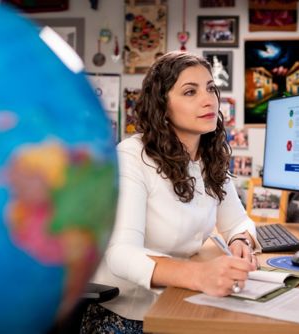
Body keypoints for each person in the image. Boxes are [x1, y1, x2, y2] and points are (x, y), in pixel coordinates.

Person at [81, 51, 258, 333]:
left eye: (211, 88)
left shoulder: (210, 156)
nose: (208, 99)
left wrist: (241, 241)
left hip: (178, 300)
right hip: (127, 313)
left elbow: (238, 222)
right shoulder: (132, 156)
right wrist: (200, 274)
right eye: (190, 91)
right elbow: (121, 253)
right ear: (162, 107)